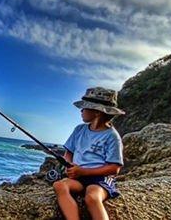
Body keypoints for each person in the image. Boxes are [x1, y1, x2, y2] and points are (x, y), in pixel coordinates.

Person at [53, 87, 125, 220]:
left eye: (85, 108)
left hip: (100, 179)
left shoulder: (112, 136)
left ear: (97, 112)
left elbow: (115, 168)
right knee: (60, 185)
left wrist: (83, 171)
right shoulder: (79, 130)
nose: (81, 111)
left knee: (92, 198)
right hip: (79, 178)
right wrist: (68, 164)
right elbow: (69, 152)